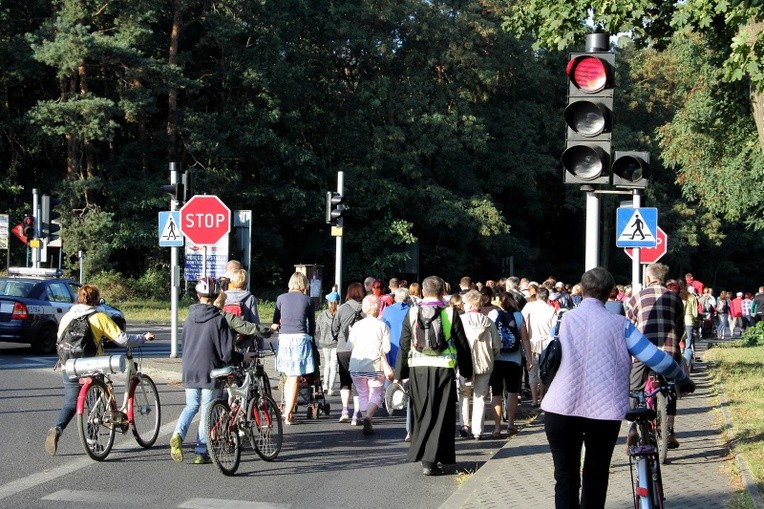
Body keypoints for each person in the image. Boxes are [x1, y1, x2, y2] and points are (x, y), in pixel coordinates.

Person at [542, 267, 695, 509]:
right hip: (603, 414)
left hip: (559, 409)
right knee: (595, 475)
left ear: (581, 290)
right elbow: (655, 358)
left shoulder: (563, 318)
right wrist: (681, 377)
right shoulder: (621, 325)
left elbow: (549, 354)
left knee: (565, 478)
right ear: (610, 293)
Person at [45, 284, 155, 457]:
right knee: (97, 399)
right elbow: (122, 339)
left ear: (79, 298)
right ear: (96, 300)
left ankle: (57, 428)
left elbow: (59, 340)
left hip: (69, 366)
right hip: (90, 364)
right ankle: (92, 440)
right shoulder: (99, 317)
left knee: (71, 404)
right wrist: (143, 338)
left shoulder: (67, 316)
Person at [394, 276, 473, 476]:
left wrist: (400, 374)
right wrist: (466, 371)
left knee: (421, 413)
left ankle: (423, 456)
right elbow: (462, 345)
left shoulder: (412, 312)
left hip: (418, 370)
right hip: (444, 369)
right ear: (442, 292)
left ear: (422, 292)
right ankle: (434, 459)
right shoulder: (450, 312)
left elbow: (404, 345)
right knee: (441, 414)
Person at [170, 277, 248, 464]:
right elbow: (227, 353)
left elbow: (184, 344)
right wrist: (242, 357)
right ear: (216, 296)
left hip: (190, 368)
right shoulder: (219, 320)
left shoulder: (189, 318)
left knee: (190, 406)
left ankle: (178, 435)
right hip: (211, 369)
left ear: (198, 295)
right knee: (207, 410)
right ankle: (200, 451)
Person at [625, 263, 685, 449]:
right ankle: (669, 430)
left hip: (643, 352)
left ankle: (632, 428)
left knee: (634, 388)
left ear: (648, 278)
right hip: (668, 352)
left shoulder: (636, 297)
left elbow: (629, 327)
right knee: (671, 387)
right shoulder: (674, 298)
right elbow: (680, 325)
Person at [271, 271, 316, 425]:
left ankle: (288, 412)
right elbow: (312, 325)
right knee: (295, 378)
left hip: (284, 339)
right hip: (300, 339)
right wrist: (311, 338)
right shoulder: (308, 300)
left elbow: (275, 320)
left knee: (290, 378)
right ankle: (288, 413)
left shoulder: (281, 298)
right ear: (305, 284)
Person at [489, 291, 532, 437]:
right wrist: (529, 359)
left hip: (496, 359)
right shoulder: (519, 316)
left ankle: (496, 427)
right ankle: (511, 424)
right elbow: (525, 339)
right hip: (514, 360)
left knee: (496, 392)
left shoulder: (493, 315)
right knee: (512, 392)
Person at [458, 290, 500, 440]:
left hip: (465, 364)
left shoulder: (460, 320)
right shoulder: (489, 322)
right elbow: (496, 346)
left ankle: (465, 424)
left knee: (463, 395)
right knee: (480, 397)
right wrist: (490, 357)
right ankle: (478, 430)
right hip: (485, 363)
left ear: (469, 304)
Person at [348, 294, 392, 435]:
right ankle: (368, 417)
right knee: (376, 394)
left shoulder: (357, 325)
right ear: (379, 309)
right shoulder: (382, 326)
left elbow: (349, 345)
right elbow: (387, 349)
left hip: (356, 365)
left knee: (362, 393)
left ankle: (365, 416)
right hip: (375, 366)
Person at [331, 282, 365, 425]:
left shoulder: (342, 308)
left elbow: (334, 328)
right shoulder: (366, 308)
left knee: (345, 380)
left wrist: (338, 338)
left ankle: (345, 410)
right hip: (361, 350)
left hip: (343, 349)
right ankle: (357, 414)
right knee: (358, 383)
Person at [521, 286, 556, 406]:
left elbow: (522, 323)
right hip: (546, 343)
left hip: (530, 342)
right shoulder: (551, 310)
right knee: (544, 371)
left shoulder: (529, 307)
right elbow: (554, 329)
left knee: (532, 371)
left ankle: (534, 399)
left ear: (537, 296)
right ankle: (542, 398)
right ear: (547, 297)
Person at [222, 267, 261, 350]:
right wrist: (260, 345)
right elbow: (255, 321)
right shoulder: (250, 298)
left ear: (231, 281)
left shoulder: (223, 297)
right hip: (244, 338)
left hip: (225, 337)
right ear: (245, 282)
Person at [315, 291, 340, 395]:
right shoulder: (339, 315)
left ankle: (325, 385)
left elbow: (317, 330)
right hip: (336, 343)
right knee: (334, 365)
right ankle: (331, 388)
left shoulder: (322, 315)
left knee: (327, 364)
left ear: (328, 302)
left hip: (324, 343)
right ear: (337, 302)